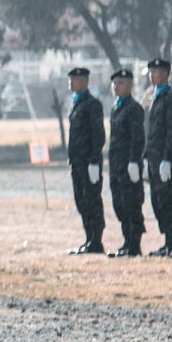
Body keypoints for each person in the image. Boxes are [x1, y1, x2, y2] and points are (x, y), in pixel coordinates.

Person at [142, 57, 172, 257]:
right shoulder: (153, 96)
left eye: (156, 72)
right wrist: (145, 156)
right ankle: (168, 241)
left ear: (166, 74)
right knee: (157, 201)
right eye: (150, 72)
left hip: (165, 160)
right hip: (153, 158)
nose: (152, 75)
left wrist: (168, 158)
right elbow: (150, 131)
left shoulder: (171, 99)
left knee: (168, 201)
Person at [64, 67, 106, 255]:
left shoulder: (92, 105)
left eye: (74, 79)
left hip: (88, 162)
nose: (70, 83)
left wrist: (94, 161)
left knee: (92, 201)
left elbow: (98, 135)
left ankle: (96, 241)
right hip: (77, 162)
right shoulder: (76, 103)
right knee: (81, 200)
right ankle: (89, 238)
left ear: (84, 81)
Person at [106, 68, 146, 257]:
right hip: (116, 165)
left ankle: (134, 244)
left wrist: (134, 161)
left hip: (128, 165)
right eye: (114, 83)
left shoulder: (134, 108)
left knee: (131, 204)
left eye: (120, 83)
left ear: (130, 85)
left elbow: (138, 137)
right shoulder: (116, 107)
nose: (116, 86)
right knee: (119, 204)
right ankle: (126, 241)